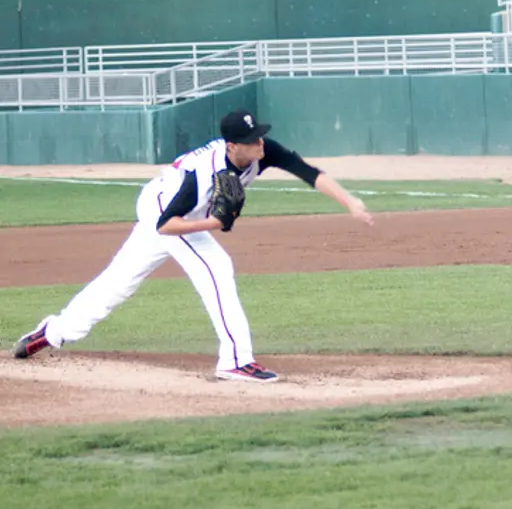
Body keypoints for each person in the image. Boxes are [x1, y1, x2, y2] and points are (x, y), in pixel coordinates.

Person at [11, 110, 374, 380]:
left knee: (117, 284)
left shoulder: (262, 152)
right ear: (233, 146)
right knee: (216, 267)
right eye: (252, 140)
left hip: (172, 208)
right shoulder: (204, 175)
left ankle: (53, 332)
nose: (260, 143)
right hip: (165, 209)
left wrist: (350, 202)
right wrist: (213, 224)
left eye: (260, 136)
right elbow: (166, 224)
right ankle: (236, 360)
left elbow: (308, 172)